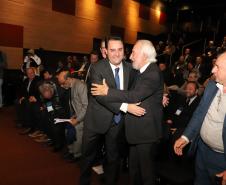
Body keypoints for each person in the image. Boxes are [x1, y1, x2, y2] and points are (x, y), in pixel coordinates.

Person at [91, 40, 164, 185]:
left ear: (144, 55)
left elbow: (135, 96)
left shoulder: (152, 73)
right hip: (137, 132)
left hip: (146, 134)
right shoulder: (140, 71)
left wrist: (107, 91)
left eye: (134, 53)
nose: (130, 56)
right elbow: (134, 91)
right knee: (134, 172)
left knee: (147, 175)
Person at [80, 36, 144, 185]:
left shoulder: (131, 68)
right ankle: (84, 181)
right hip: (95, 120)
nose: (116, 54)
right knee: (88, 155)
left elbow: (139, 88)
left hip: (117, 122)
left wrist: (159, 95)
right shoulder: (96, 68)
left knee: (113, 157)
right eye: (112, 50)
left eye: (120, 49)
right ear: (105, 52)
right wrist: (125, 107)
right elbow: (99, 96)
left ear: (124, 51)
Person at [174, 51, 226, 185]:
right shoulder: (211, 86)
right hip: (202, 150)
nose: (213, 69)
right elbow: (199, 113)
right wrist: (186, 137)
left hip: (222, 159)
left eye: (218, 67)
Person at [58, 71, 88, 161]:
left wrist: (77, 120)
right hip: (76, 114)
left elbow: (86, 106)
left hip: (84, 117)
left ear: (68, 79)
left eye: (63, 83)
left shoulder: (80, 86)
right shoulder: (71, 85)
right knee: (68, 131)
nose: (61, 86)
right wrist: (74, 116)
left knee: (77, 132)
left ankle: (77, 155)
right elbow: (75, 104)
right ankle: (71, 151)